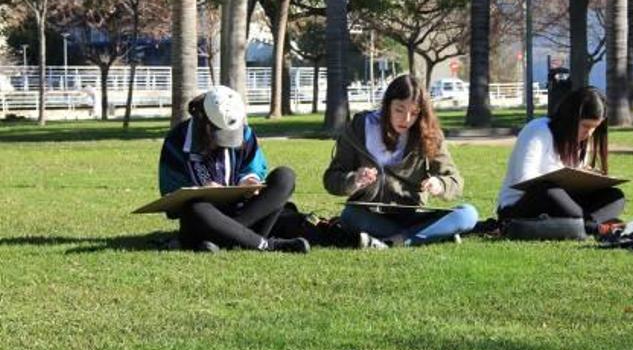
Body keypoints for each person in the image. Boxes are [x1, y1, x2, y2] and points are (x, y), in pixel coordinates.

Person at [323, 74, 478, 247]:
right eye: (399, 110)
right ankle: (430, 234)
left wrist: (440, 184)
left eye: (414, 113)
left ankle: (395, 241)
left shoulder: (429, 134)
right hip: (370, 215)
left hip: (412, 215)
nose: (406, 119)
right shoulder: (359, 128)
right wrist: (353, 180)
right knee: (349, 216)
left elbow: (455, 181)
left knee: (468, 214)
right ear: (387, 105)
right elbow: (331, 179)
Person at [159, 85, 309, 253]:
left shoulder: (245, 134)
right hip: (205, 217)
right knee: (195, 207)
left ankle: (223, 239)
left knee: (285, 177)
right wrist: (203, 191)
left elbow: (254, 167)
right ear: (204, 122)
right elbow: (171, 198)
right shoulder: (176, 141)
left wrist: (249, 180)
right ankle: (267, 244)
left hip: (243, 210)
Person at [496, 86, 625, 233]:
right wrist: (562, 179)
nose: (589, 133)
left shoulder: (581, 140)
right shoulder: (538, 130)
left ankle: (585, 224)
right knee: (548, 190)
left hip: (566, 204)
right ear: (570, 118)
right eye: (585, 126)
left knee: (615, 195)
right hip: (523, 204)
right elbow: (524, 180)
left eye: (594, 127)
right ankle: (590, 225)